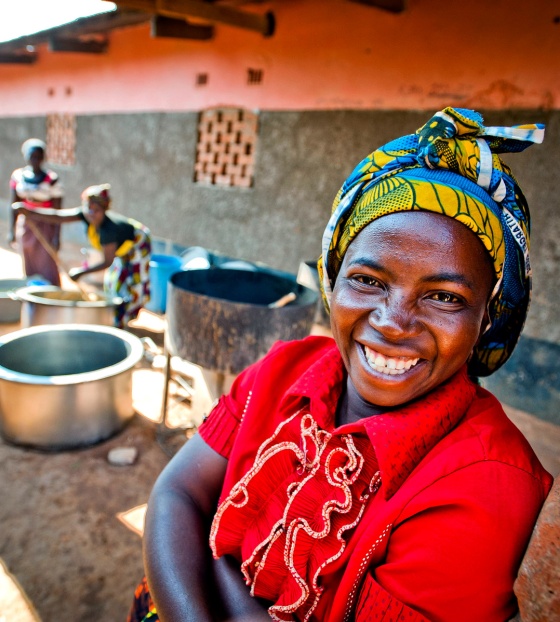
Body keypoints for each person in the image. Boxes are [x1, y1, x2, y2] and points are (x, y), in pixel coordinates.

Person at [129, 108, 553, 622]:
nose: (394, 323)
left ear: (487, 320)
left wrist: (219, 565)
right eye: (369, 281)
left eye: (443, 296)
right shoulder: (286, 369)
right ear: (333, 282)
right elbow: (177, 492)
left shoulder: (486, 484)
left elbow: (195, 516)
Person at [12, 184, 151, 328]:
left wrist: (81, 272)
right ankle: (115, 315)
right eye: (88, 208)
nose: (91, 212)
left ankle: (122, 320)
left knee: (134, 283)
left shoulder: (108, 230)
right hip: (121, 246)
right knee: (113, 282)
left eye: (96, 210)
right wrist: (30, 212)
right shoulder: (86, 216)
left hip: (138, 243)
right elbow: (58, 216)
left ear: (104, 210)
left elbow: (107, 261)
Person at [8, 138, 64, 286]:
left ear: (43, 158)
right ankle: (33, 290)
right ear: (26, 157)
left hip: (46, 225)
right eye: (32, 156)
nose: (35, 160)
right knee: (29, 258)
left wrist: (57, 237)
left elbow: (58, 212)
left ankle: (50, 292)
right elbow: (13, 205)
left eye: (39, 157)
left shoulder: (52, 180)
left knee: (47, 261)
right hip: (26, 225)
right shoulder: (18, 177)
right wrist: (12, 230)